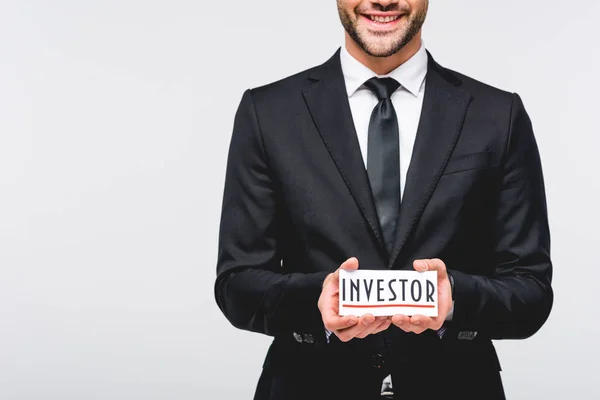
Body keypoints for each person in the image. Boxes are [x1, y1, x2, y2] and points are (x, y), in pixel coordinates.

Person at [214, 1, 553, 399]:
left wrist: (456, 300)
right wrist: (315, 302)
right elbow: (237, 283)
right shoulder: (267, 112)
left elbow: (531, 289)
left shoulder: (499, 115)